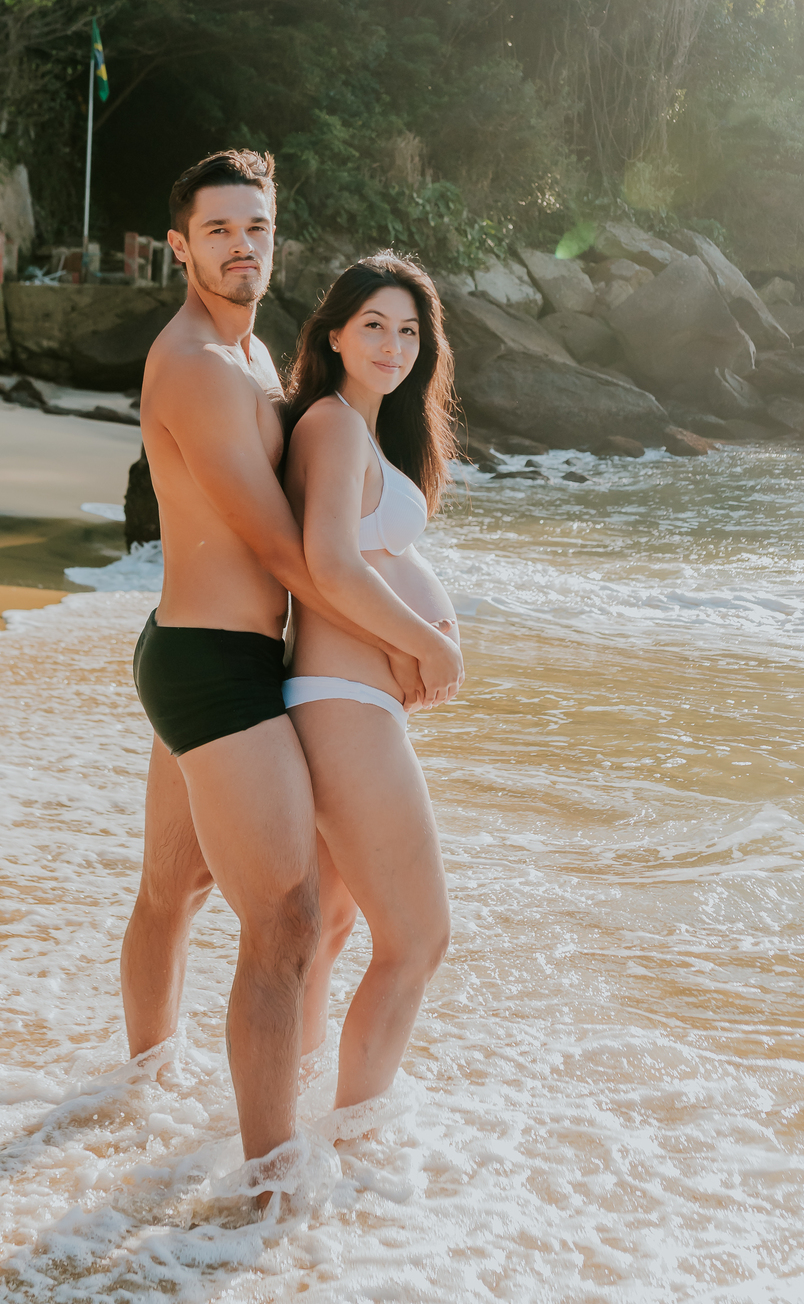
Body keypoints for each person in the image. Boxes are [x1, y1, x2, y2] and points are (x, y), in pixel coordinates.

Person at [120, 150, 463, 1169]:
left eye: (256, 229)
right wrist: (411, 640)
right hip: (214, 667)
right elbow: (285, 550)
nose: (241, 246)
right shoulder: (193, 364)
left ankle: (142, 1095)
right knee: (287, 915)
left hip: (224, 653)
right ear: (178, 245)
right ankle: (268, 1182)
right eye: (219, 229)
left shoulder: (259, 360)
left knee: (171, 893)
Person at [280, 253, 461, 1115]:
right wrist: (434, 646)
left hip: (346, 703)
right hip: (342, 706)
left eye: (410, 330)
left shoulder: (360, 428)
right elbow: (332, 566)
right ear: (336, 334)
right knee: (419, 938)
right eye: (376, 326)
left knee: (334, 931)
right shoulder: (336, 426)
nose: (395, 345)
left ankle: (295, 1121)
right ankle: (352, 1144)